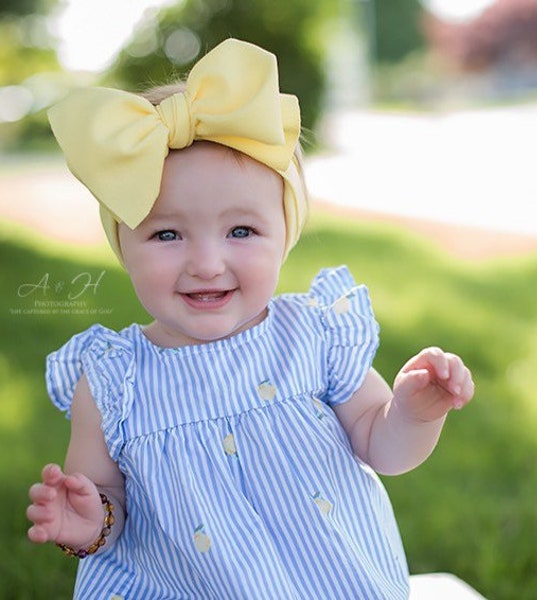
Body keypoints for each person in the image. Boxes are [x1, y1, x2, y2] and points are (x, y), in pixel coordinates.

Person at [26, 38, 475, 599]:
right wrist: (90, 524)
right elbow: (104, 497)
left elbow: (382, 445)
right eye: (167, 234)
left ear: (285, 234)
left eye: (241, 231)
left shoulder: (311, 336)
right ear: (123, 246)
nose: (207, 264)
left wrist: (412, 413)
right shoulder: (113, 381)